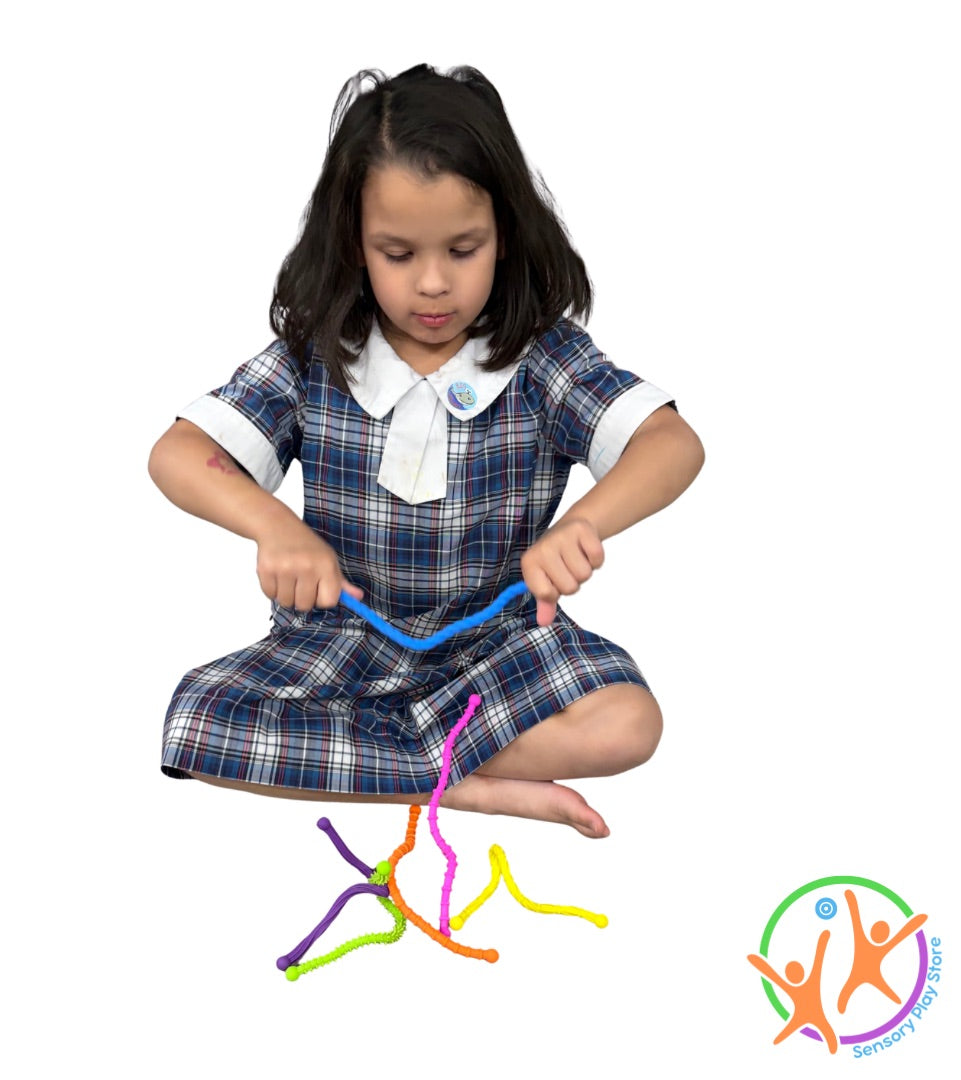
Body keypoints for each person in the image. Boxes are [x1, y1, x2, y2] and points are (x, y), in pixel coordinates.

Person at [148, 64, 704, 838]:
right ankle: (464, 785)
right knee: (197, 725)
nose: (434, 284)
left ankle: (378, 767)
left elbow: (669, 441)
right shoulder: (318, 356)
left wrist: (585, 523)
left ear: (505, 236)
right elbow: (179, 453)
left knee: (628, 723)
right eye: (399, 254)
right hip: (337, 645)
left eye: (464, 249)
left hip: (499, 645)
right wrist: (273, 526)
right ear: (354, 244)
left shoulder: (541, 359)